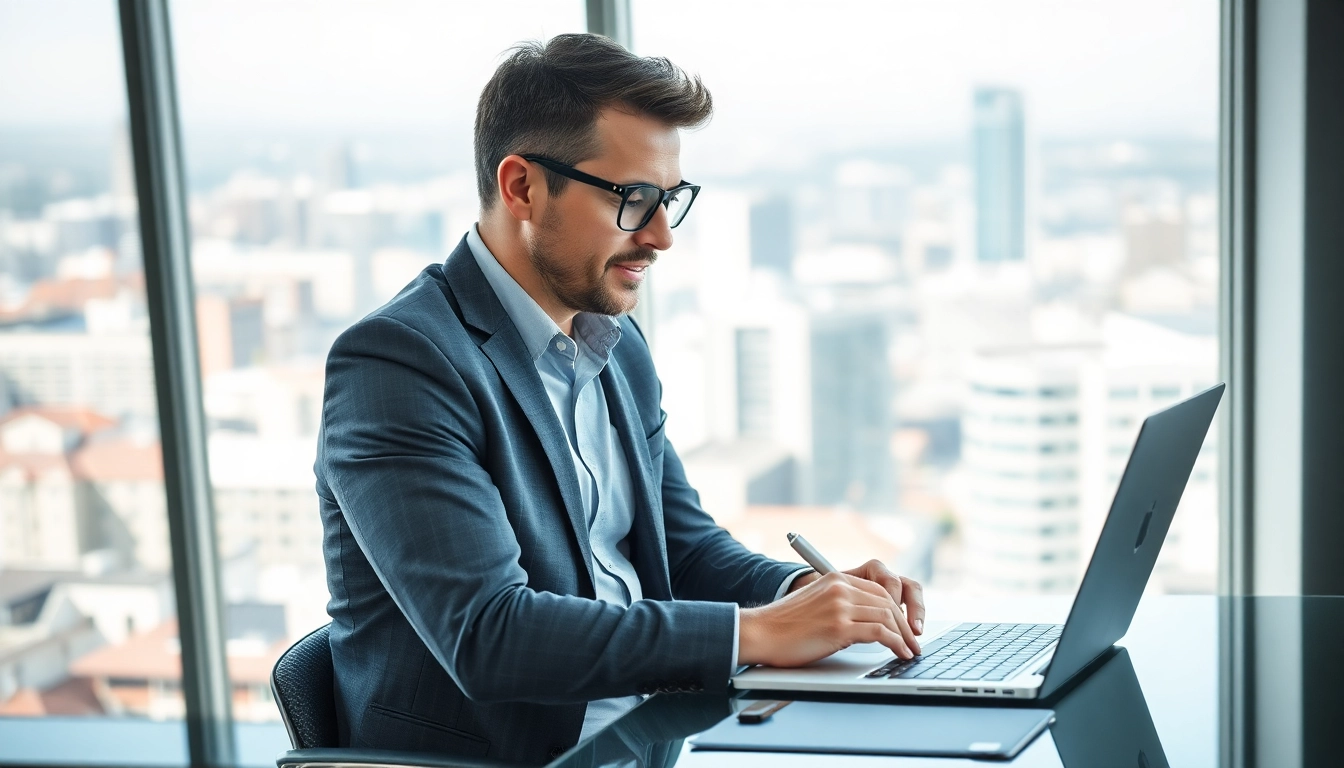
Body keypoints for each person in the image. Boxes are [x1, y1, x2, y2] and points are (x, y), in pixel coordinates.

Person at [315, 32, 925, 766]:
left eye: (670, 200)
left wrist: (811, 593)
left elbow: (687, 550)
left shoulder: (614, 346)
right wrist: (756, 634)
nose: (663, 236)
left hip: (648, 743)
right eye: (636, 200)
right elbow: (487, 635)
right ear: (523, 188)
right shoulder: (400, 363)